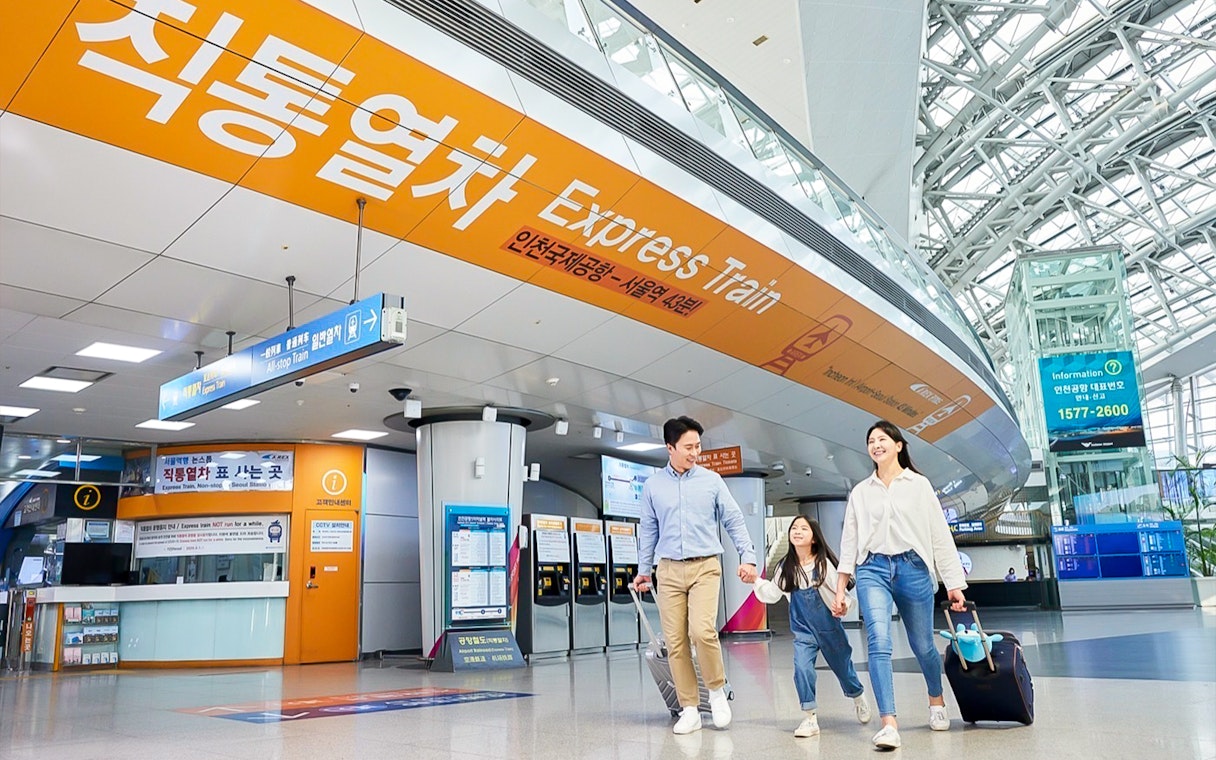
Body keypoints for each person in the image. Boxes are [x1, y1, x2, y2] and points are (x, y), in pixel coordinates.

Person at [832, 420, 968, 751]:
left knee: (922, 644)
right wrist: (840, 587)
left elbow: (939, 534)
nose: (876, 445)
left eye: (882, 439)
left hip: (913, 568)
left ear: (898, 445)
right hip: (872, 569)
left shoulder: (919, 485)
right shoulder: (861, 492)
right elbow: (849, 541)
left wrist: (953, 583)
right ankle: (889, 723)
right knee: (878, 640)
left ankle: (936, 701)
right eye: (871, 441)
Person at [634, 416, 758, 735]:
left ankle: (716, 692)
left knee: (702, 632)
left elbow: (734, 520)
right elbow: (648, 531)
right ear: (670, 447)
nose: (695, 453)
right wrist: (643, 571)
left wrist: (749, 556)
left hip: (705, 565)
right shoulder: (653, 486)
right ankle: (689, 707)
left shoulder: (712, 481)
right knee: (675, 642)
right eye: (688, 447)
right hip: (670, 569)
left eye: (698, 446)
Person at [753, 516, 872, 737]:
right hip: (803, 631)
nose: (797, 531)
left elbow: (841, 595)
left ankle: (857, 696)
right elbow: (771, 593)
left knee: (843, 668)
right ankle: (809, 717)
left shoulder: (823, 564)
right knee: (802, 669)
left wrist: (843, 606)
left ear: (814, 538)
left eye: (803, 529)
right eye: (794, 528)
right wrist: (755, 581)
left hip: (829, 628)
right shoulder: (786, 567)